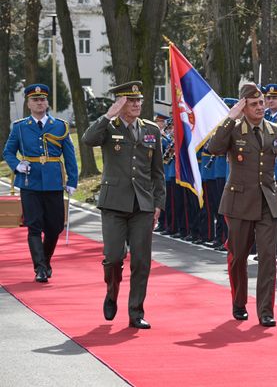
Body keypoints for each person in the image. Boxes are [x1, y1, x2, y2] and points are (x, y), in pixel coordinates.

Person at [209, 83, 277, 327]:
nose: (260, 107)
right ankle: (239, 302)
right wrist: (229, 118)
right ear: (243, 107)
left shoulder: (276, 131)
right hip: (238, 202)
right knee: (238, 257)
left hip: (268, 201)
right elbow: (213, 148)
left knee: (268, 257)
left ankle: (266, 310)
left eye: (262, 103)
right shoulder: (234, 130)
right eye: (254, 104)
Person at [81, 81, 165, 329]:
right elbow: (88, 139)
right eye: (131, 100)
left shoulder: (151, 130)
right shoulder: (108, 127)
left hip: (142, 205)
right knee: (114, 257)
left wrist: (158, 202)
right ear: (120, 103)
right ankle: (112, 291)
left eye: (139, 100)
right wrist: (108, 115)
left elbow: (157, 171)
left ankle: (136, 312)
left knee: (141, 261)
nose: (137, 104)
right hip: (114, 204)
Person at [3, 83, 78, 282]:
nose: (39, 102)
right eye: (35, 100)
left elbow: (69, 155)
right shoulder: (20, 127)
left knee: (55, 227)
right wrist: (17, 165)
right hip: (30, 182)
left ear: (47, 103)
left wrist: (73, 179)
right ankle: (40, 268)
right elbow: (8, 152)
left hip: (54, 182)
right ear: (28, 103)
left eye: (43, 99)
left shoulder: (59, 125)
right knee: (34, 225)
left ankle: (45, 260)